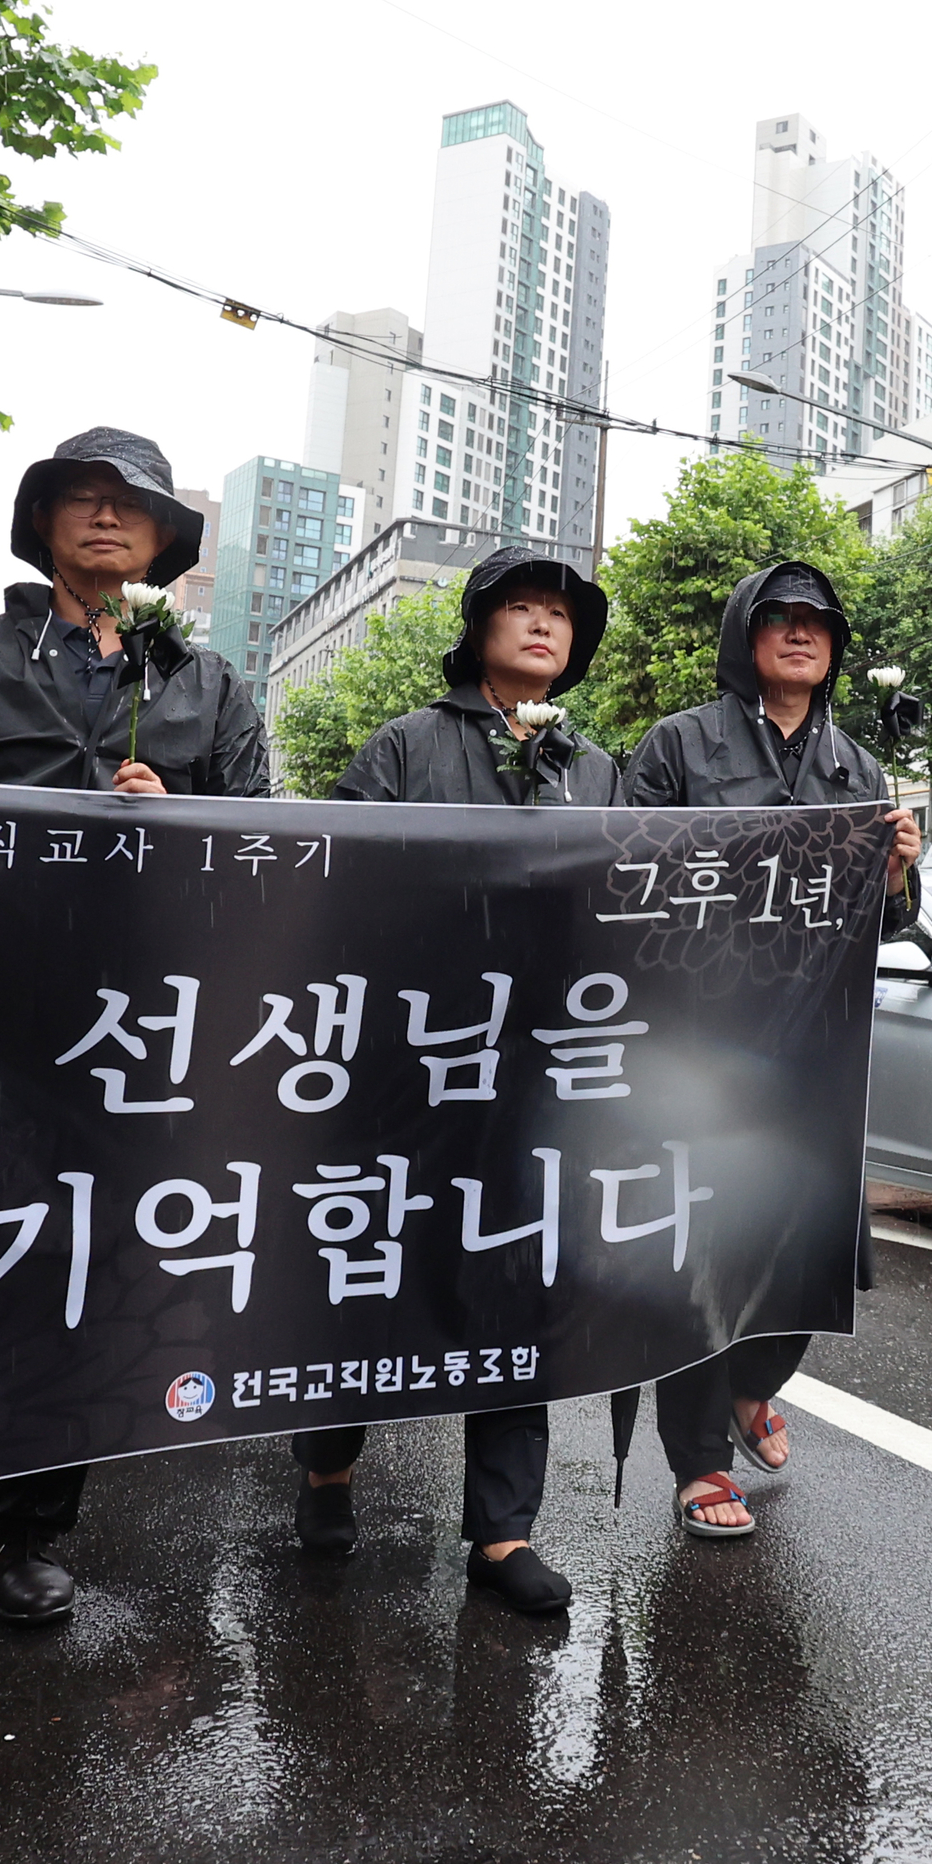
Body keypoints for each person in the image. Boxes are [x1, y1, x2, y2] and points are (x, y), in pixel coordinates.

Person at [0, 427, 268, 1721]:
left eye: (133, 503)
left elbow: (270, 855)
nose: (106, 516)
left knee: (85, 1286)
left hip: (134, 1052)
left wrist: (183, 819)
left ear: (164, 542)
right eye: (83, 498)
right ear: (46, 525)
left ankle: (36, 1532)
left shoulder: (208, 689)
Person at [307, 549, 619, 1618]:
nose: (544, 627)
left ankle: (502, 1532)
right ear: (479, 627)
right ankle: (327, 1465)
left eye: (561, 616)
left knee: (516, 1282)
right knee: (368, 1269)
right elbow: (335, 877)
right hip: (405, 1065)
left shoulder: (598, 768)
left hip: (534, 1075)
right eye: (523, 609)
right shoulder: (406, 745)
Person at [621, 562, 922, 1542]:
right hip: (699, 1048)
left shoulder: (856, 768)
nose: (800, 633)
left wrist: (902, 874)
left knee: (821, 1248)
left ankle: (754, 1383)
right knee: (704, 1258)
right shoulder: (677, 745)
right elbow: (624, 876)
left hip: (813, 1054)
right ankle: (700, 1463)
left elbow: (880, 925)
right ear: (744, 632)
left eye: (817, 623)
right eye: (780, 618)